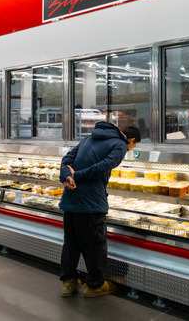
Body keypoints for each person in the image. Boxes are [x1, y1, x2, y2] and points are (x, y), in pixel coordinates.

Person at [58, 122, 140, 298]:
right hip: (91, 203)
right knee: (94, 246)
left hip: (70, 199)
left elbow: (66, 160)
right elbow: (103, 167)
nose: (130, 149)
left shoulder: (88, 138)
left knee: (71, 244)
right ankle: (95, 285)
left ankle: (68, 282)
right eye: (134, 146)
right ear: (131, 140)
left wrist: (66, 176)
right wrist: (76, 176)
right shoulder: (120, 145)